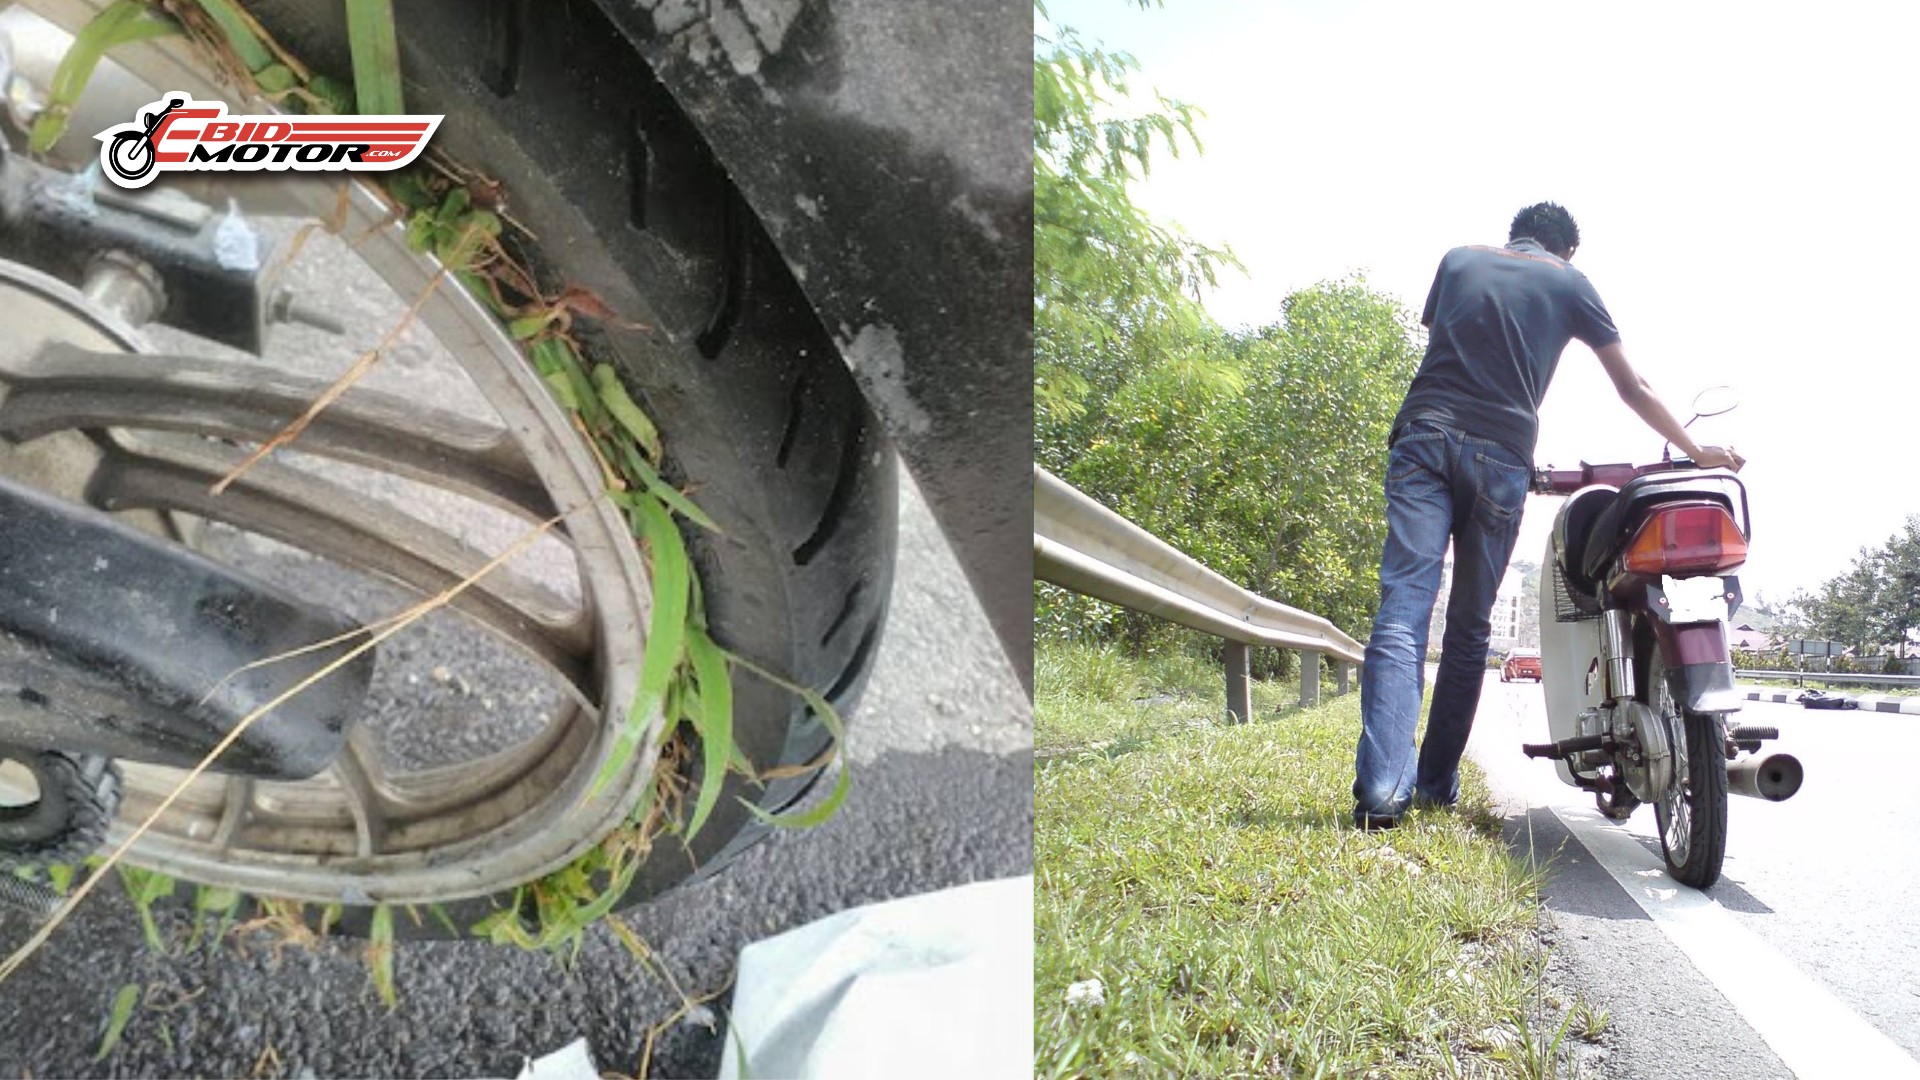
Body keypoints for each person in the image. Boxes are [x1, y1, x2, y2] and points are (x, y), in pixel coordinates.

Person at [1352, 202, 1745, 829]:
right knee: (1469, 628)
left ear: (1516, 235)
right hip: (1503, 453)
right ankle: (1431, 786)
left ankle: (1381, 794)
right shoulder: (1569, 283)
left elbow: (1447, 342)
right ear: (1567, 250)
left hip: (1424, 435)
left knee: (1402, 611)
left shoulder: (1457, 261)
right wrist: (1697, 450)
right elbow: (1632, 387)